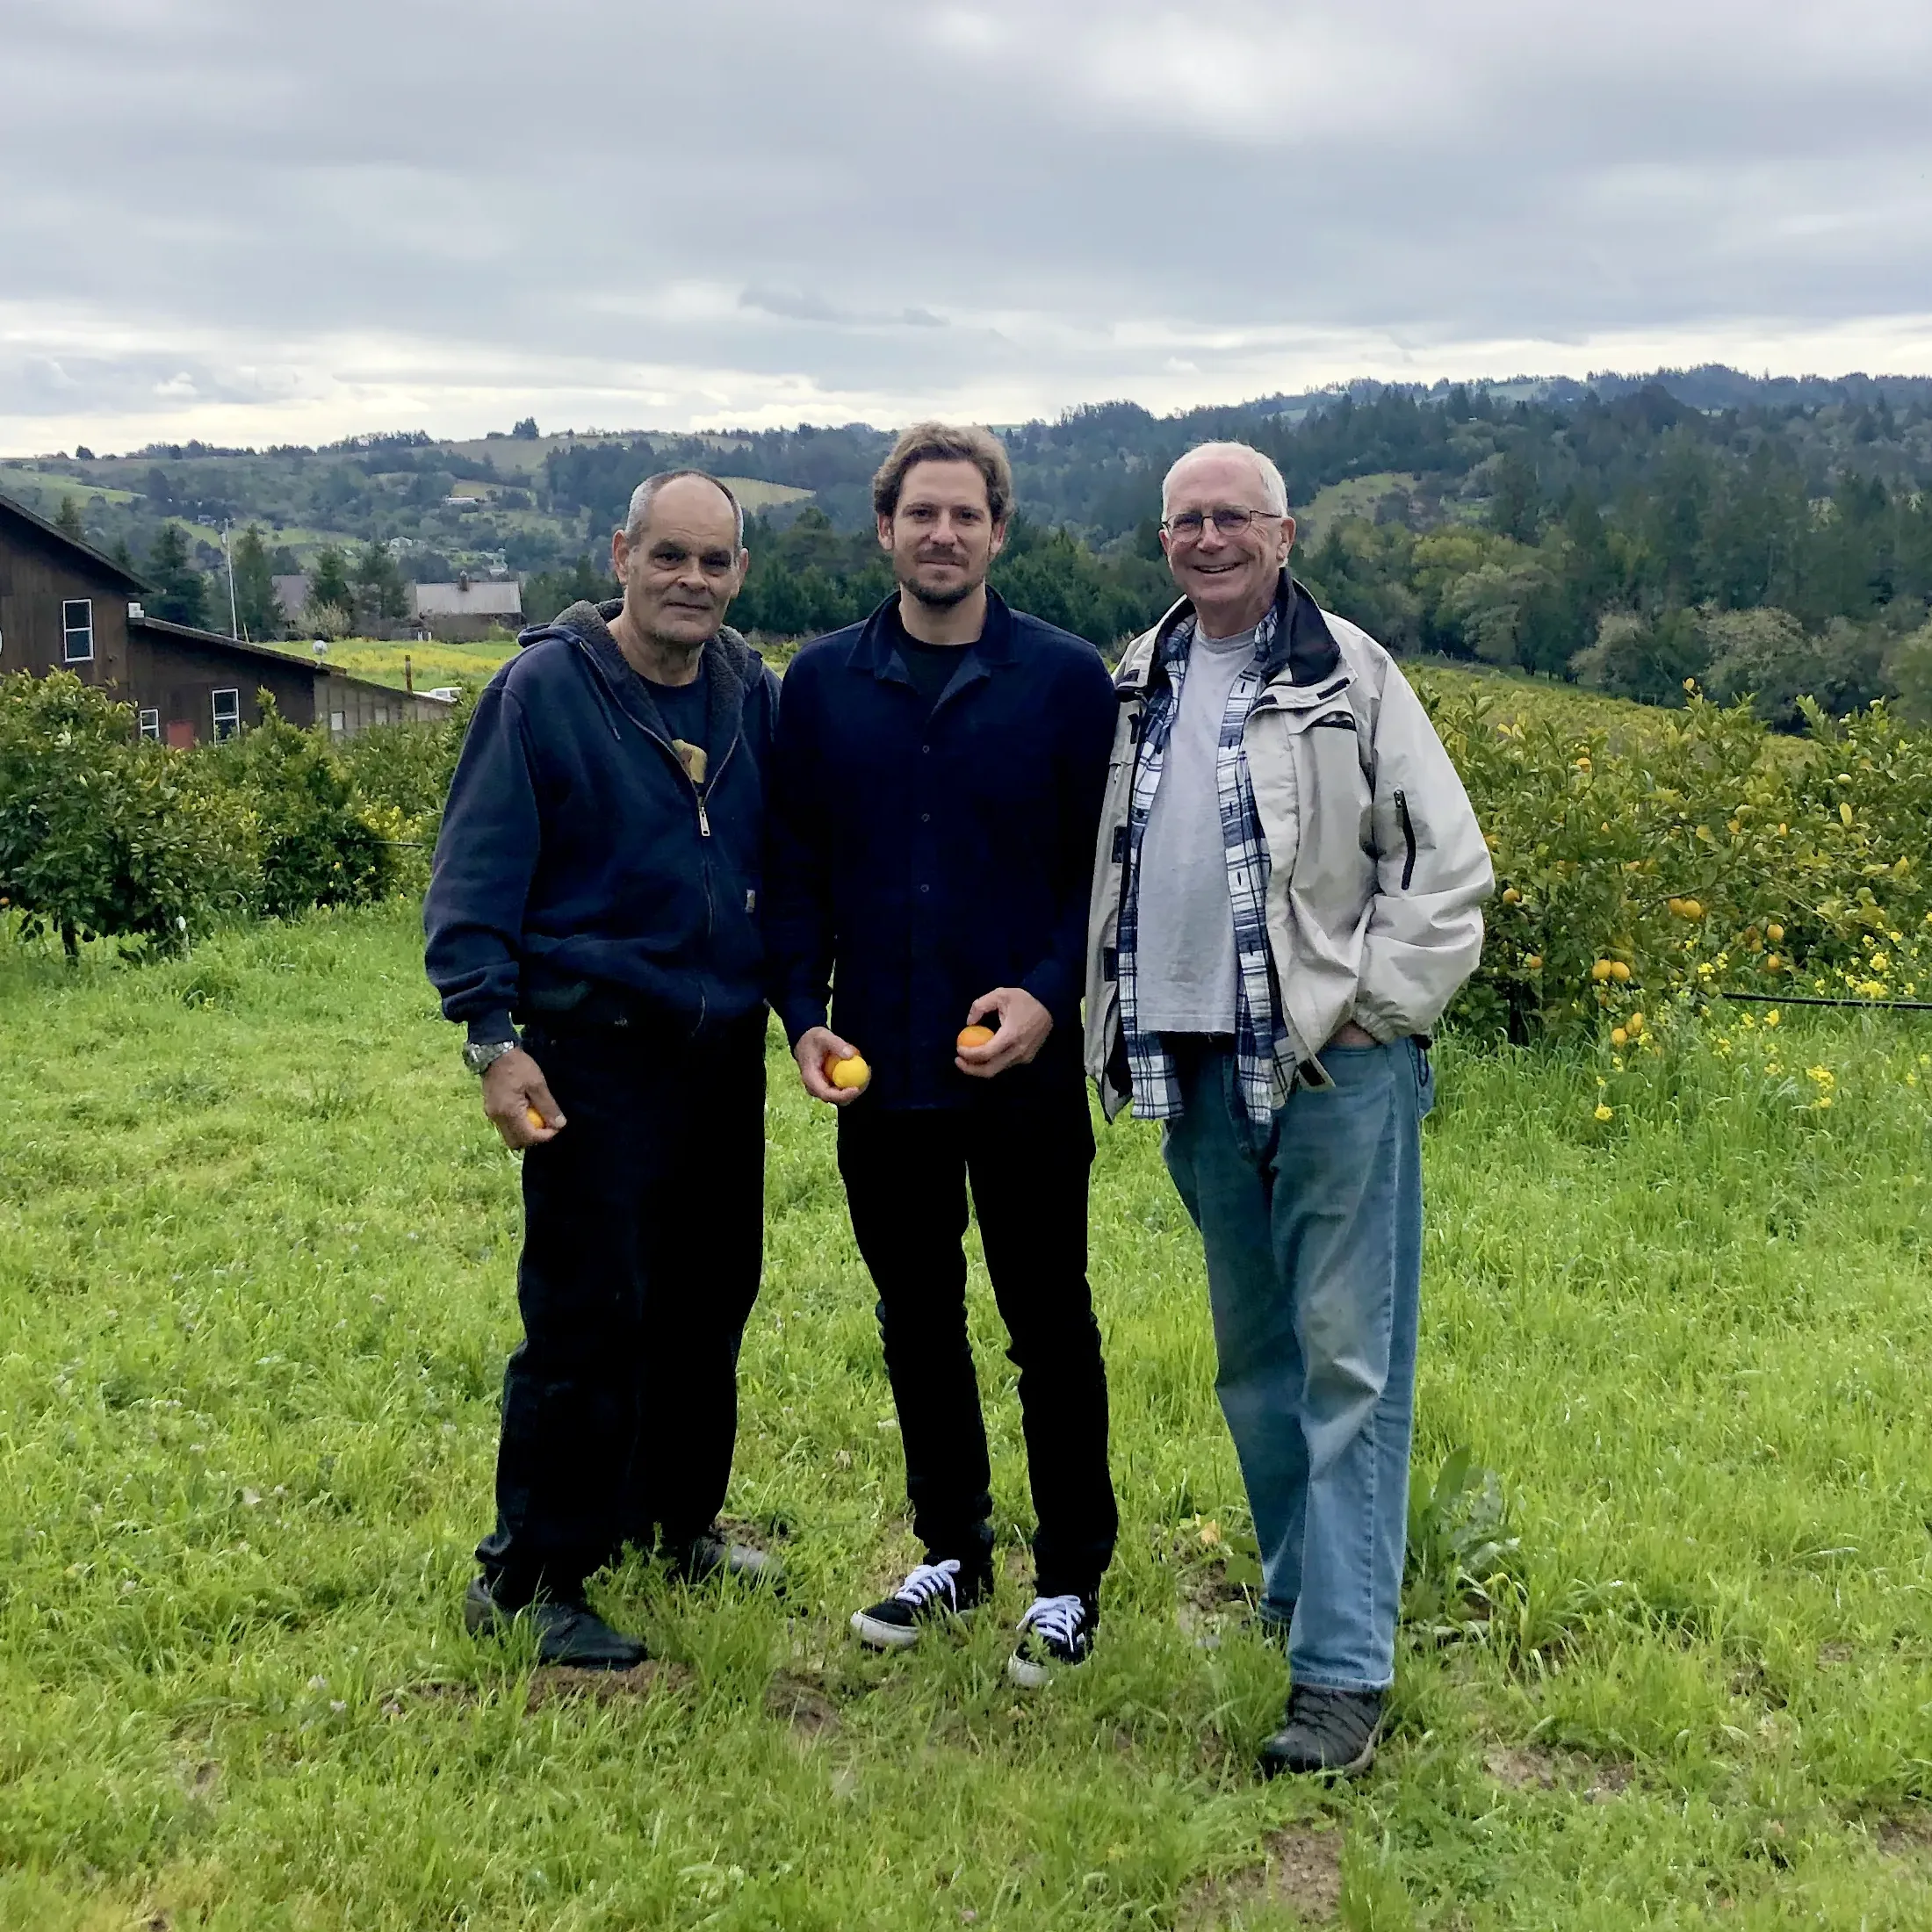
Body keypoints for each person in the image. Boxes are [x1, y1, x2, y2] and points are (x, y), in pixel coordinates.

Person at [1085, 441, 1492, 1773]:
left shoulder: (1348, 676)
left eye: (1232, 518)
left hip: (1332, 1068)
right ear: (1165, 542)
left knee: (1348, 1365)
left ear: (1283, 531)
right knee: (1256, 1365)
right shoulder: (1134, 681)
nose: (1207, 539)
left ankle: (1344, 1672)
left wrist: (1375, 1006)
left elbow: (1446, 866)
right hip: (1194, 1061)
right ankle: (1296, 1593)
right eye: (1185, 521)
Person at [768, 422, 1120, 1686]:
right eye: (921, 514)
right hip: (884, 1067)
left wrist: (1044, 995)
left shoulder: (1068, 681)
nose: (943, 535)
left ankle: (1071, 1581)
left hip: (1019, 1067)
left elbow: (1104, 877)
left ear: (997, 530)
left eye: (965, 515)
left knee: (1046, 1319)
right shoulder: (818, 686)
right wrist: (800, 1012)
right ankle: (955, 1555)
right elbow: (793, 869)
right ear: (886, 529)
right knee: (916, 1314)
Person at [424, 469, 782, 1669]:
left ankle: (674, 1524)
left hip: (720, 1053)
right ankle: (531, 1574)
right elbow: (475, 879)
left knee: (707, 1297)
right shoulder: (543, 693)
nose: (691, 581)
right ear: (621, 552)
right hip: (591, 1054)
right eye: (669, 556)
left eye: (714, 563)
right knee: (587, 1313)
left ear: (739, 573)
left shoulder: (746, 693)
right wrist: (491, 1036)